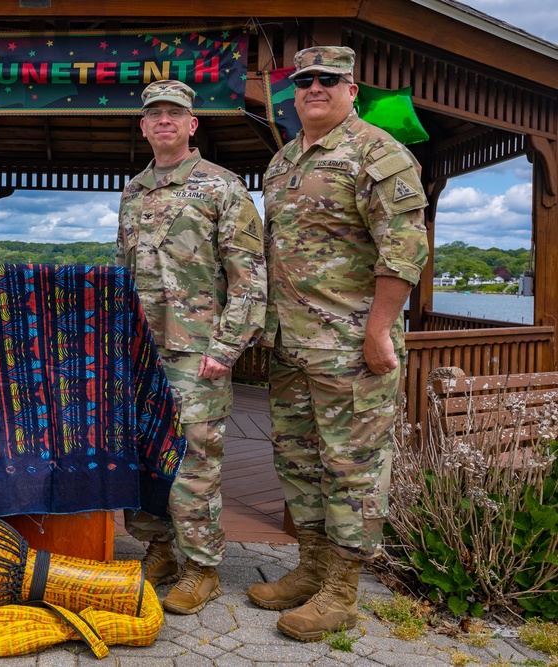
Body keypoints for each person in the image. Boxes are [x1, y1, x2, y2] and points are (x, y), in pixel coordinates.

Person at [246, 46, 429, 641]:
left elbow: (403, 249)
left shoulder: (379, 152)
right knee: (299, 462)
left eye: (328, 80)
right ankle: (312, 570)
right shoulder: (283, 162)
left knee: (351, 467)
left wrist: (379, 329)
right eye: (304, 81)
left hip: (350, 345)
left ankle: (343, 592)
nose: (314, 88)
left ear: (352, 88)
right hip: (293, 346)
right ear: (294, 93)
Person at [116, 80, 267, 615]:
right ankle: (161, 550)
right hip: (141, 355)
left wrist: (225, 349)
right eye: (154, 114)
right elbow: (124, 274)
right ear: (143, 126)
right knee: (146, 456)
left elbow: (249, 278)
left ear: (191, 124)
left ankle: (202, 569)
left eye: (174, 114)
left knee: (195, 462)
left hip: (196, 352)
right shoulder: (133, 190)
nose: (164, 121)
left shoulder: (223, 187)